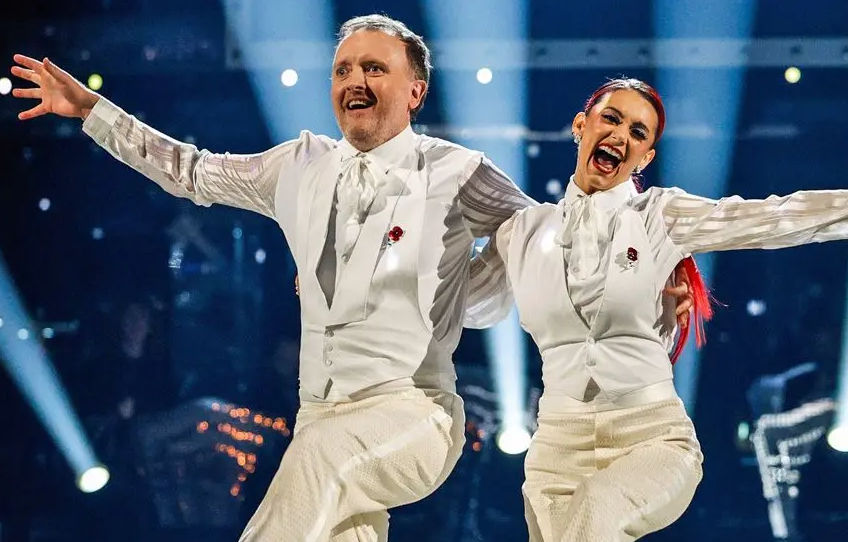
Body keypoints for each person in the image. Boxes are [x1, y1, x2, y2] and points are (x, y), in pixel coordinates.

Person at [9, 15, 697, 541]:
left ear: (414, 91)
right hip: (322, 414)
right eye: (343, 69)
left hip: (414, 415)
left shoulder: (456, 171)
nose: (354, 81)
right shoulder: (298, 164)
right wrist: (93, 113)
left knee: (319, 461)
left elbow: (548, 246)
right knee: (331, 499)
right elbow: (190, 171)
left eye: (374, 67)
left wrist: (648, 294)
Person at [476, 77, 848, 542]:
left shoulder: (660, 216)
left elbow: (775, 218)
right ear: (581, 125)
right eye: (612, 119)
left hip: (648, 438)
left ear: (646, 156)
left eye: (637, 132)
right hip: (556, 447)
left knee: (594, 516)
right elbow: (461, 304)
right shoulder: (522, 231)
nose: (621, 135)